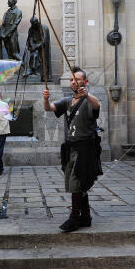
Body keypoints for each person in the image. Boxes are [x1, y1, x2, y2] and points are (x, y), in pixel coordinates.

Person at [43, 66, 102, 232]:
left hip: (85, 148)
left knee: (76, 182)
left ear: (85, 81)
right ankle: (86, 217)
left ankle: (74, 217)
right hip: (71, 148)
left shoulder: (89, 101)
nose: (73, 82)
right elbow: (49, 108)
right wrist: (46, 99)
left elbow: (97, 106)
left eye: (77, 80)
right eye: (71, 80)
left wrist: (87, 94)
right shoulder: (67, 101)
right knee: (78, 183)